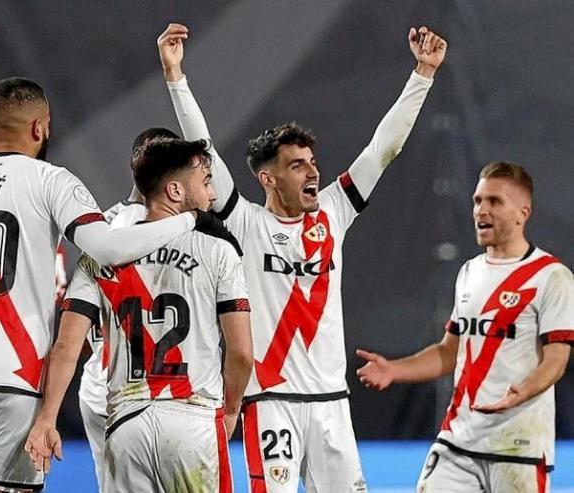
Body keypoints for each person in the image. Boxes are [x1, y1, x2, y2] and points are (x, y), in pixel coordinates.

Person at [157, 23, 447, 492]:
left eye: (313, 162)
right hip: (271, 401)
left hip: (332, 403)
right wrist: (176, 78)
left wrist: (422, 75)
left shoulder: (334, 210)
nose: (314, 171)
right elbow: (204, 149)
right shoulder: (245, 222)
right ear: (268, 179)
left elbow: (383, 149)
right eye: (298, 165)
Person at [0, 77, 213, 493]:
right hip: (18, 374)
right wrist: (187, 219)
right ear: (40, 128)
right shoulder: (52, 181)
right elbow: (108, 249)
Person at [25, 137, 253, 493]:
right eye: (206, 181)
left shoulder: (99, 254)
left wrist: (47, 417)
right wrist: (231, 410)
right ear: (175, 190)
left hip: (126, 425)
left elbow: (66, 347)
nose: (212, 193)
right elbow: (241, 352)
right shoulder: (219, 250)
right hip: (193, 421)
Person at [357, 162, 574, 492]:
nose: (481, 210)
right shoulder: (470, 272)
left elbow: (556, 359)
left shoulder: (551, 276)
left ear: (523, 212)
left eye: (494, 202)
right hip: (458, 443)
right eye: (477, 200)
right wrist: (394, 370)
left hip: (517, 448)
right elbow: (449, 352)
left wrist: (524, 390)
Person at [76, 126, 179, 492]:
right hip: (156, 391)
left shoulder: (99, 225)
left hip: (101, 385)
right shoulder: (183, 230)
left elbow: (81, 315)